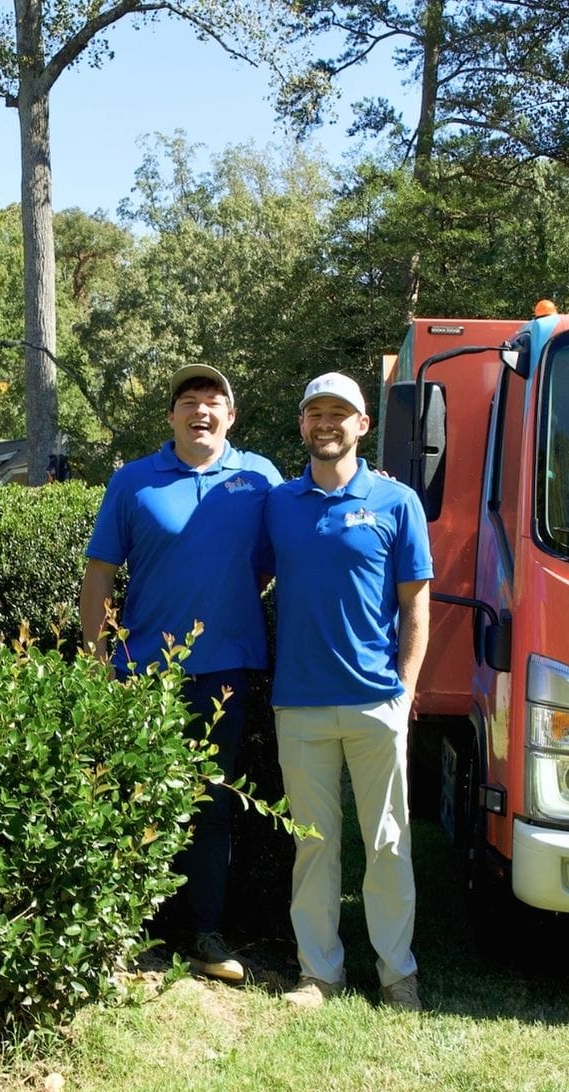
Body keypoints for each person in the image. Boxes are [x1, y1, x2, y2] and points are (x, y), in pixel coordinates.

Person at [79, 363, 282, 983]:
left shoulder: (260, 478)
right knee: (133, 798)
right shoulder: (133, 482)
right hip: (144, 674)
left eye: (213, 400)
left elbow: (289, 547)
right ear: (170, 416)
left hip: (226, 673)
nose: (201, 410)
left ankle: (203, 935)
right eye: (189, 400)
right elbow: (99, 574)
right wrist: (97, 659)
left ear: (231, 416)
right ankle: (123, 933)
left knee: (211, 803)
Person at [264, 371, 433, 1011]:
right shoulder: (278, 504)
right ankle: (319, 974)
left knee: (388, 842)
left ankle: (397, 974)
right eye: (316, 413)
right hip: (299, 701)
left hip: (375, 700)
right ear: (302, 425)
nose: (326, 423)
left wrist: (404, 693)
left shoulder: (397, 502)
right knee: (313, 843)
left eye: (340, 413)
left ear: (363, 424)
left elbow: (416, 607)